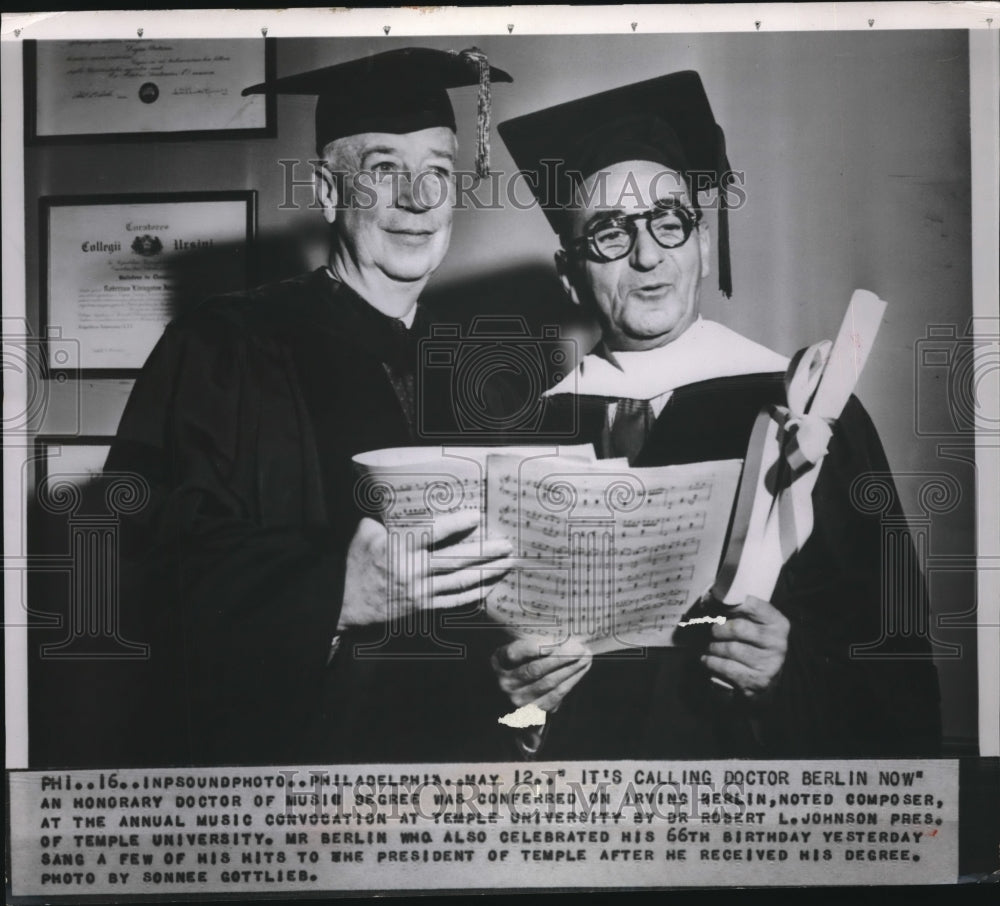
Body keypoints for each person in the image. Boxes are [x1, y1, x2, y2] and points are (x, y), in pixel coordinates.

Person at [491, 71, 942, 758]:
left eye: (668, 223)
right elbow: (483, 684)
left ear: (702, 245)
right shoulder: (521, 441)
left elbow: (892, 656)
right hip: (580, 821)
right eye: (609, 234)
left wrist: (785, 673)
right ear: (569, 273)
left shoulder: (808, 411)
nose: (646, 256)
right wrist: (518, 706)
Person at [105, 47, 516, 765]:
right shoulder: (223, 344)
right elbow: (145, 565)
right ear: (329, 193)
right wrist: (335, 594)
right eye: (385, 168)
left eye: (439, 171)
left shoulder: (480, 372)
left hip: (454, 782)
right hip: (292, 780)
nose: (419, 200)